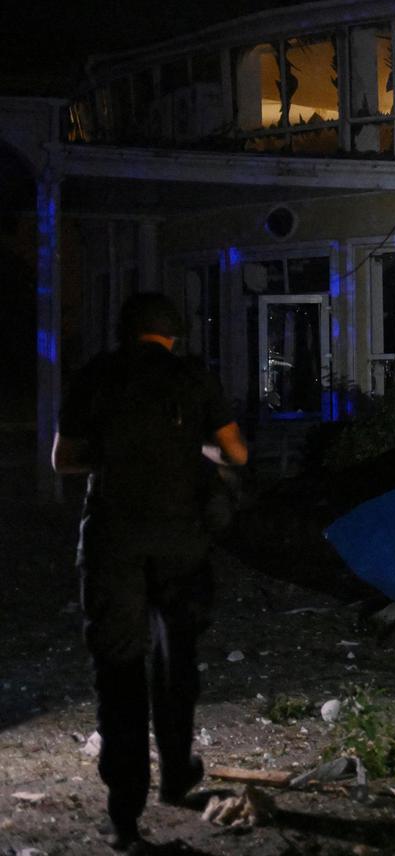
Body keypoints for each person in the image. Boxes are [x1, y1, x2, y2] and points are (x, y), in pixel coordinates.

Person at [53, 292, 249, 850]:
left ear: (125, 332)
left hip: (114, 537)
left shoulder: (97, 375)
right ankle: (177, 774)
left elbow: (62, 459)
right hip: (181, 539)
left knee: (118, 667)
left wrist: (118, 458)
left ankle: (125, 812)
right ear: (174, 334)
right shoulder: (193, 378)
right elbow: (236, 453)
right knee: (176, 656)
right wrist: (193, 454)